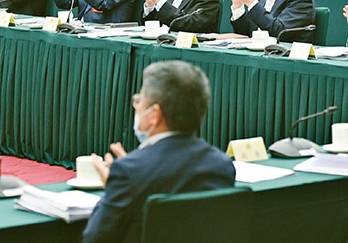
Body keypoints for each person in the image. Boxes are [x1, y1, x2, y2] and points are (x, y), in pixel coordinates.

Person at [82, 60, 235, 243]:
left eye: (139, 101)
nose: (136, 106)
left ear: (154, 115)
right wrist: (131, 166)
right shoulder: (222, 164)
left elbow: (95, 238)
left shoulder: (129, 171)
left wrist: (112, 186)